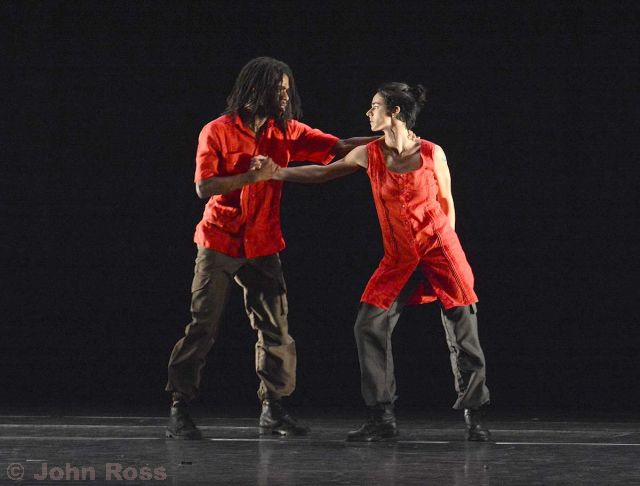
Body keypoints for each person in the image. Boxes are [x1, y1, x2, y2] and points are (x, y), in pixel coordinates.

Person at [165, 57, 378, 439]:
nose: (284, 97)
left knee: (276, 329)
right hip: (220, 240)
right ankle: (180, 405)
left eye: (286, 90)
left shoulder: (287, 131)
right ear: (253, 90)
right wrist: (252, 176)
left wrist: (395, 140)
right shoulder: (217, 130)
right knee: (203, 326)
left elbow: (340, 146)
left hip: (263, 243)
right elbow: (204, 186)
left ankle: (273, 408)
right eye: (277, 90)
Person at [267, 82, 491, 442]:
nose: (368, 113)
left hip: (441, 251)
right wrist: (278, 172)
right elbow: (323, 172)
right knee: (368, 324)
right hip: (399, 257)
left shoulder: (432, 153)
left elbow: (447, 203)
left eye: (375, 106)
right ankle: (382, 417)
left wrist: (445, 254)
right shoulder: (369, 154)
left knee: (463, 329)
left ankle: (474, 414)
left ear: (395, 112)